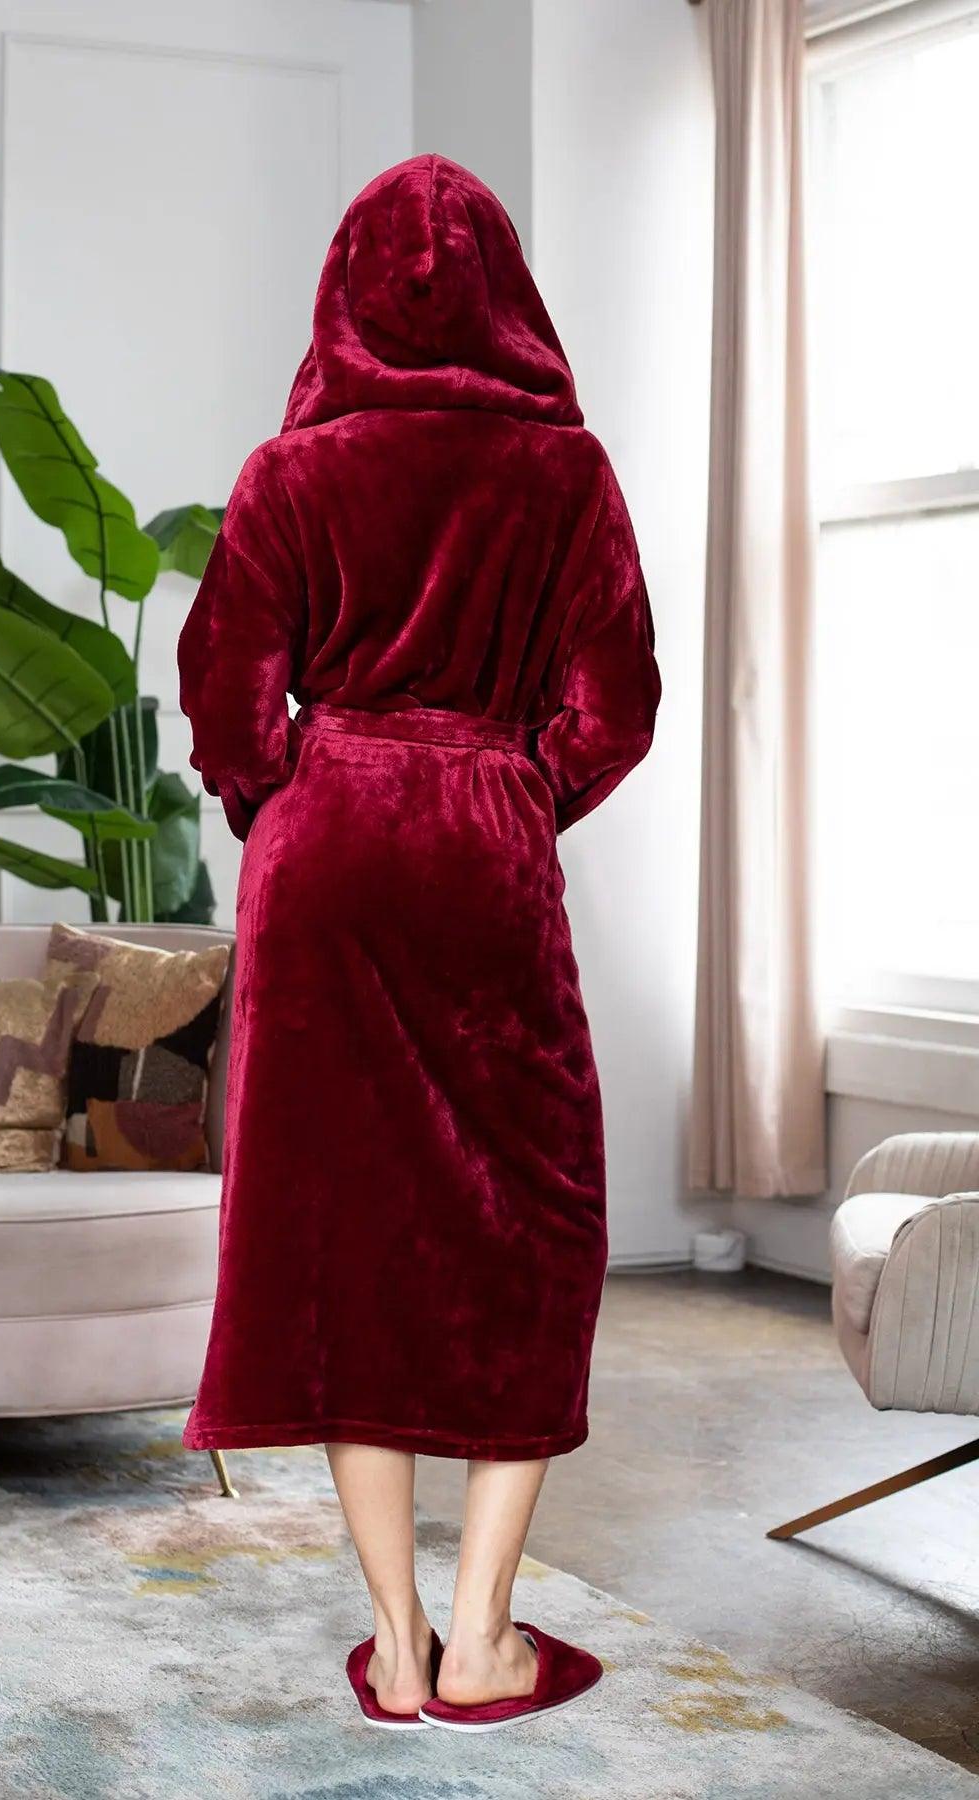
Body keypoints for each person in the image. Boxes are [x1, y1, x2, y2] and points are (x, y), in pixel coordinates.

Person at [177, 154, 660, 1733]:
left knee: (343, 1239)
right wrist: (509, 789)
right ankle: (482, 1636)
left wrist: (300, 795)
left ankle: (392, 1643)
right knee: (535, 1225)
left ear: (345, 292)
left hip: (322, 857)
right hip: (483, 851)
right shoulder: (570, 477)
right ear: (514, 298)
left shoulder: (287, 475)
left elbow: (229, 706)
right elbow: (618, 709)